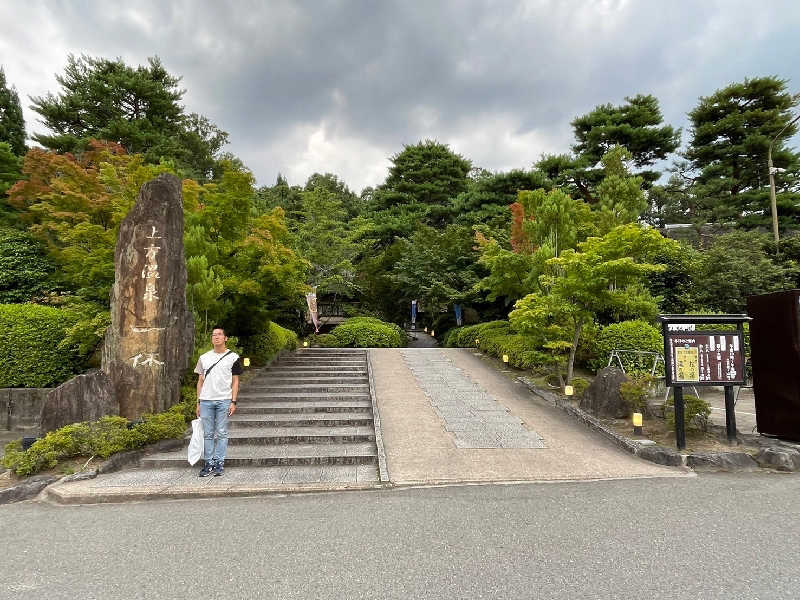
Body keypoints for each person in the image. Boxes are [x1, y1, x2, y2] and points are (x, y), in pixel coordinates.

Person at [194, 326, 243, 477]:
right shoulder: (204, 357)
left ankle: (219, 462)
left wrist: (233, 401)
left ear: (225, 338)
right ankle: (208, 462)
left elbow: (235, 381)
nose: (216, 337)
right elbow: (200, 382)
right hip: (206, 400)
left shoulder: (233, 357)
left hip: (224, 399)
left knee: (221, 432)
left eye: (219, 334)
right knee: (208, 433)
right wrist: (198, 402)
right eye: (214, 335)